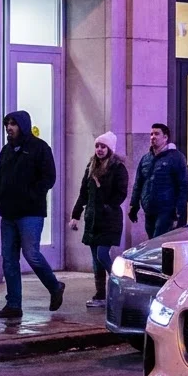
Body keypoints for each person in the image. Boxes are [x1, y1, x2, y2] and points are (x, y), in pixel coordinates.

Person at [0, 111, 65, 319]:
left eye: (13, 124)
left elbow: (49, 177)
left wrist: (32, 195)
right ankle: (13, 304)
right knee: (9, 259)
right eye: (7, 124)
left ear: (23, 125)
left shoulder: (39, 148)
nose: (9, 127)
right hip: (8, 213)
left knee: (31, 253)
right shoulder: (7, 150)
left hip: (30, 212)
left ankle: (54, 286)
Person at [71, 132, 130, 308]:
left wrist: (105, 200)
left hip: (109, 219)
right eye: (97, 146)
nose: (99, 149)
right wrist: (75, 215)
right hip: (93, 219)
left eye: (103, 146)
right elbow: (83, 193)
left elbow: (120, 193)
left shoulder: (118, 168)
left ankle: (120, 287)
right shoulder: (91, 166)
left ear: (110, 148)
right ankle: (100, 295)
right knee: (95, 259)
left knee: (102, 254)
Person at [130, 123, 188, 239]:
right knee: (152, 240)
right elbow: (139, 183)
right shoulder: (146, 159)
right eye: (151, 134)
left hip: (167, 209)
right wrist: (134, 205)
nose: (153, 137)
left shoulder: (176, 157)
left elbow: (183, 186)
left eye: (157, 134)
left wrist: (178, 210)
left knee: (158, 241)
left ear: (165, 137)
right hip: (149, 209)